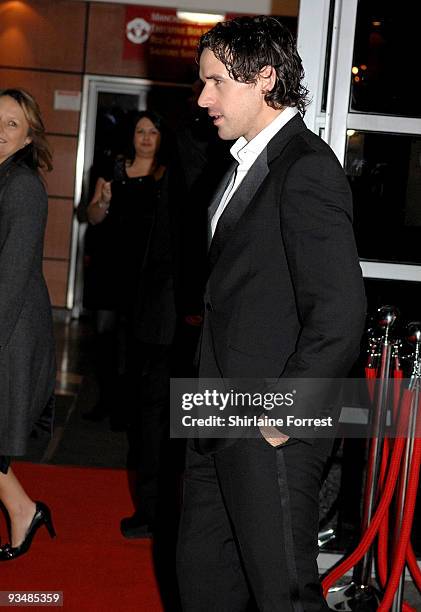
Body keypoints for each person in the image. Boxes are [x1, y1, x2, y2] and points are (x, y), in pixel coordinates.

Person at [176, 16, 367, 611]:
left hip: (269, 427)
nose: (202, 98)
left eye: (215, 83)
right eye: (201, 82)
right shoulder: (243, 162)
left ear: (264, 77)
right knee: (204, 581)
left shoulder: (305, 168)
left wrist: (280, 419)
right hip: (215, 413)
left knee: (281, 594)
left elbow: (339, 310)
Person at [86, 110, 185, 540]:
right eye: (140, 131)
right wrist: (103, 200)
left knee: (141, 356)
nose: (145, 138)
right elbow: (90, 216)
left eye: (152, 131)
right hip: (114, 266)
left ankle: (126, 404)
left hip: (150, 281)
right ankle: (109, 401)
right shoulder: (113, 169)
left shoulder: (169, 175)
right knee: (108, 336)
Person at [0, 88, 56, 560]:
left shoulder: (21, 186)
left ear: (29, 135)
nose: (0, 132)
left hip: (11, 327)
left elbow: (12, 276)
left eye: (12, 124)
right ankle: (24, 510)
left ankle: (24, 511)